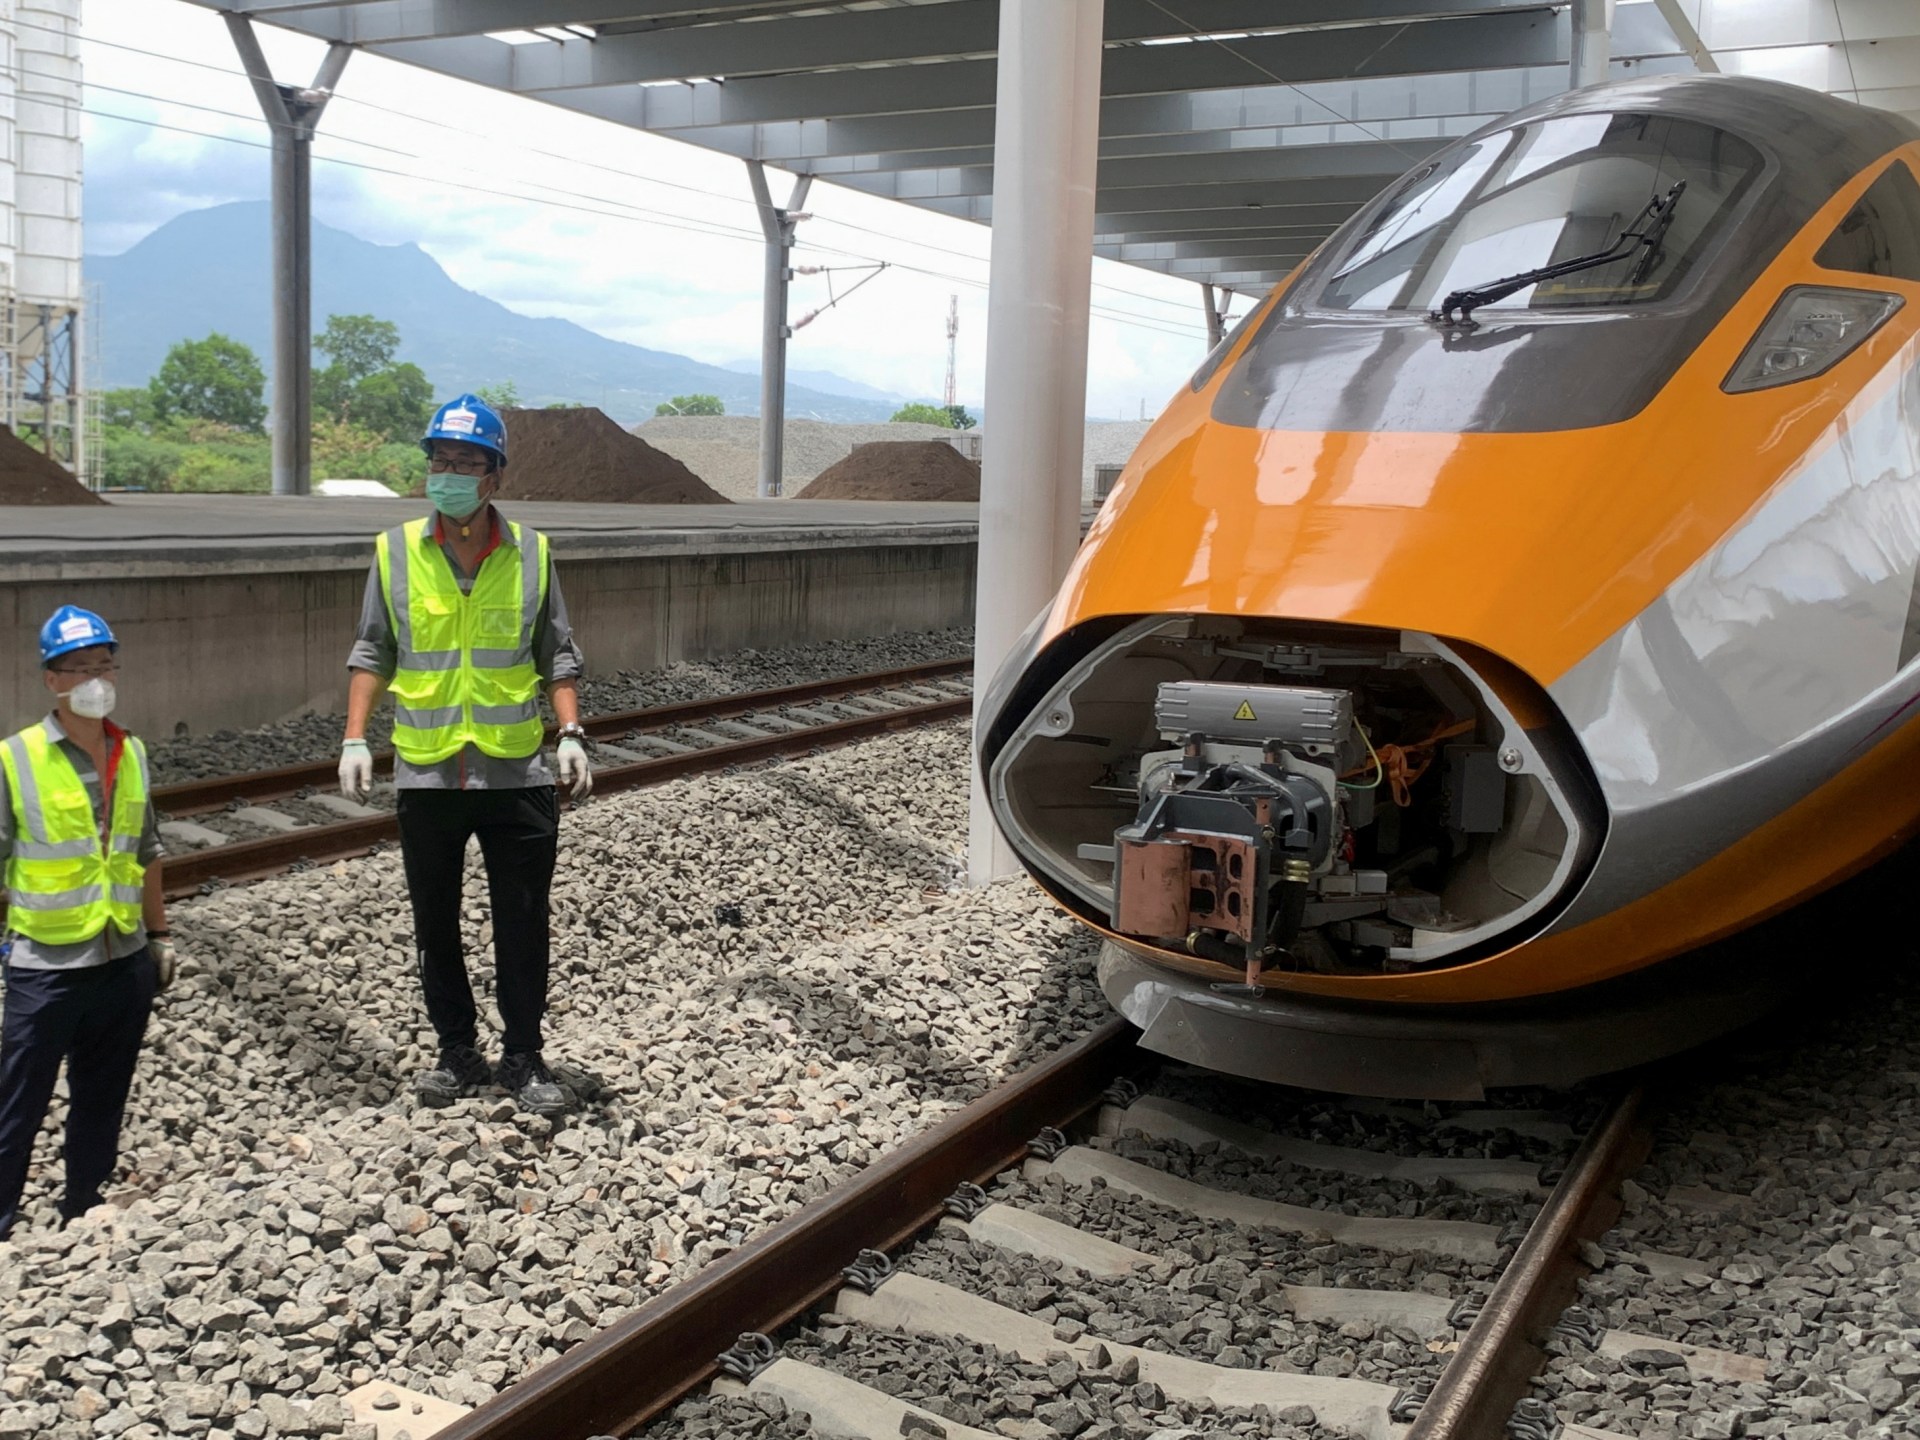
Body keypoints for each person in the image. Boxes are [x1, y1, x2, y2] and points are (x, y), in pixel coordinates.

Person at [339, 394, 591, 1117]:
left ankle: (523, 1056)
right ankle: (456, 1051)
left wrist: (570, 733)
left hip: (516, 770)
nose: (448, 474)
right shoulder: (394, 552)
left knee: (523, 921)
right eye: (440, 461)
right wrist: (355, 737)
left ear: (493, 477)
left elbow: (556, 653)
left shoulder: (533, 553)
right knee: (436, 924)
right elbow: (373, 649)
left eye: (465, 463)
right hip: (428, 770)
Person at [0, 605, 172, 1241]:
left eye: (105, 666)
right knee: (18, 1103)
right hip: (44, 965)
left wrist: (159, 937)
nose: (96, 679)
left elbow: (145, 852)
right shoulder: (16, 758)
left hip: (120, 957)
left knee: (102, 1096)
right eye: (80, 669)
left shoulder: (132, 752)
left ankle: (84, 1209)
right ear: (52, 680)